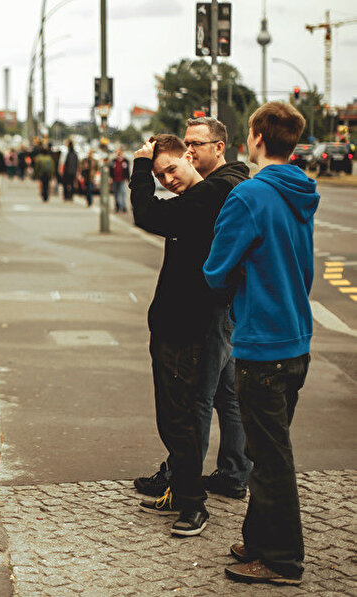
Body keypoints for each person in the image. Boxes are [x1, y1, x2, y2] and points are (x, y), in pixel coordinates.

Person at [203, 102, 318, 586]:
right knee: (266, 448)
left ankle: (282, 561)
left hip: (261, 343)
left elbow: (215, 270)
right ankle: (259, 539)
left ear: (255, 137)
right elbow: (305, 269)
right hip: (295, 338)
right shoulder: (301, 192)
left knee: (270, 460)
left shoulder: (249, 196)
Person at [130, 133, 246, 537]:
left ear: (190, 158)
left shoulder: (208, 197)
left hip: (191, 327)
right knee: (176, 415)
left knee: (183, 417)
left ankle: (193, 503)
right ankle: (185, 489)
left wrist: (141, 165)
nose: (168, 179)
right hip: (171, 323)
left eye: (172, 169)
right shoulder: (199, 198)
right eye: (161, 175)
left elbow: (145, 214)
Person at [110, 148, 130, 213]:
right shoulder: (113, 161)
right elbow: (111, 170)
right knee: (116, 193)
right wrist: (110, 177)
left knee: (123, 193)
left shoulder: (125, 161)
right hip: (115, 179)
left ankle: (123, 206)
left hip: (122, 179)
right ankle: (117, 206)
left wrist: (128, 179)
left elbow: (127, 171)